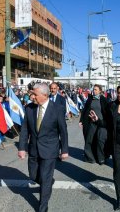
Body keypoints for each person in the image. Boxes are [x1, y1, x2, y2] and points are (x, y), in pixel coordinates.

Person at [18, 82, 69, 212]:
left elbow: (63, 131)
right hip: (34, 149)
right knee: (33, 176)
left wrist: (64, 150)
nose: (32, 97)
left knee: (45, 179)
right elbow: (25, 130)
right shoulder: (29, 108)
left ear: (44, 95)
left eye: (35, 94)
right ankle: (48, 182)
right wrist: (22, 148)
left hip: (50, 150)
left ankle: (43, 207)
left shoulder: (57, 109)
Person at [79, 84, 108, 164]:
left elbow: (107, 112)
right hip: (91, 123)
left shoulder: (104, 100)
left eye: (95, 89)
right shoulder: (90, 99)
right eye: (93, 89)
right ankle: (90, 157)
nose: (94, 91)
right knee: (89, 139)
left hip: (101, 123)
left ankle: (101, 158)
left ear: (100, 91)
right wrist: (81, 121)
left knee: (100, 141)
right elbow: (85, 110)